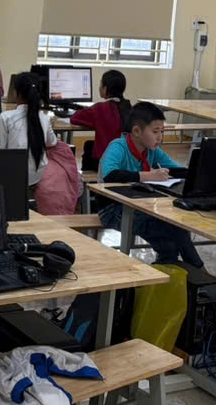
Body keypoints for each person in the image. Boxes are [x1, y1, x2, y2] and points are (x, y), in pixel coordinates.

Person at [98, 101, 204, 267]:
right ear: (136, 131)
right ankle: (198, 269)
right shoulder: (118, 146)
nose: (160, 137)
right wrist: (147, 176)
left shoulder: (151, 150)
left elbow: (177, 170)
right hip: (112, 209)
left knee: (172, 235)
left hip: (138, 205)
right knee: (171, 228)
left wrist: (200, 172)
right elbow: (110, 176)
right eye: (155, 132)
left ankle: (169, 271)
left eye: (162, 131)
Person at [0, 72, 57, 187]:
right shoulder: (44, 117)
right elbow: (52, 142)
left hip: (13, 178)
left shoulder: (6, 117)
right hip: (37, 177)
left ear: (17, 93)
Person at [69, 69, 131, 165]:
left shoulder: (100, 109)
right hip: (126, 161)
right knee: (89, 144)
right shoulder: (129, 106)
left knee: (88, 148)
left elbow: (74, 118)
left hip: (105, 162)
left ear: (105, 89)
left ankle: (88, 175)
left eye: (100, 84)